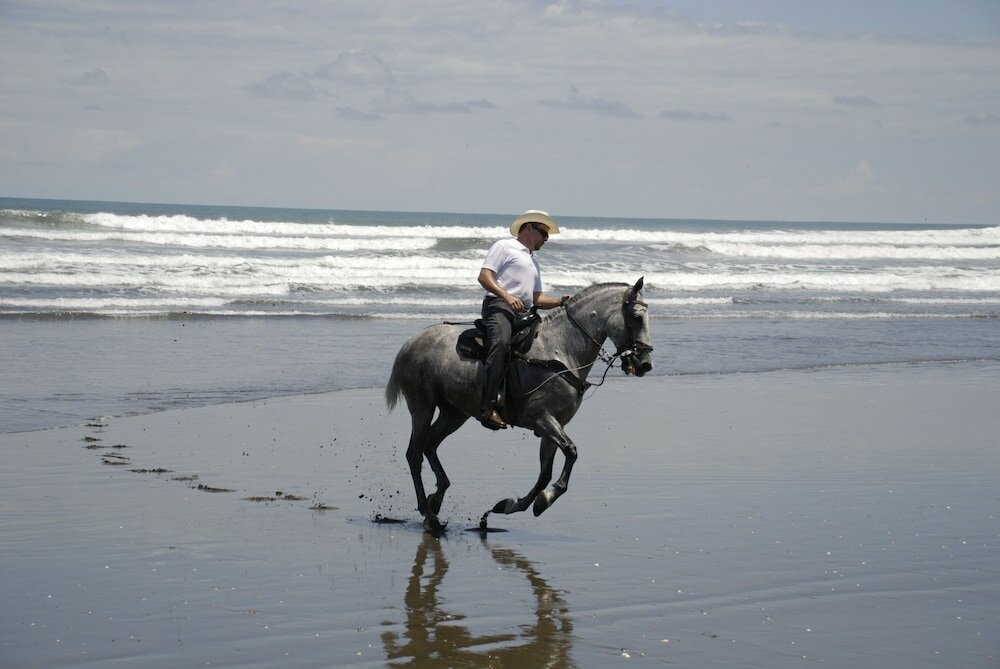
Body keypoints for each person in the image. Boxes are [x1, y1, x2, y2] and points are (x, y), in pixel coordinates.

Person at [477, 210, 570, 430]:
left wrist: (559, 301)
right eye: (543, 233)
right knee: (500, 344)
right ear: (528, 228)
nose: (545, 239)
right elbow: (484, 276)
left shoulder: (532, 261)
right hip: (499, 307)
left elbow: (536, 298)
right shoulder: (505, 247)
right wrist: (507, 296)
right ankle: (487, 408)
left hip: (523, 314)